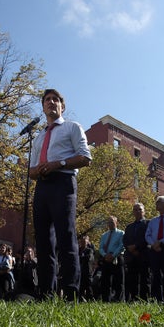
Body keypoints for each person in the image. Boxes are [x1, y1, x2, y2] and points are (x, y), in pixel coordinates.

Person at [28, 88, 92, 300]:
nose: (51, 102)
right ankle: (46, 292)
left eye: (55, 99)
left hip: (63, 182)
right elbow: (31, 171)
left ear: (62, 106)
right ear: (43, 106)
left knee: (66, 236)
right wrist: (37, 171)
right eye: (47, 100)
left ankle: (71, 292)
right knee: (43, 240)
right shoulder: (38, 138)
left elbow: (85, 157)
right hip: (42, 187)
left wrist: (59, 164)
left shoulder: (72, 127)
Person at [122, 203, 150, 301]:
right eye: (135, 210)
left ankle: (144, 299)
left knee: (144, 279)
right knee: (132, 279)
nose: (137, 211)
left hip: (143, 255)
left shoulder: (148, 223)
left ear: (144, 211)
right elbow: (125, 240)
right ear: (133, 212)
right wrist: (130, 248)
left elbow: (147, 238)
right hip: (131, 257)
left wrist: (136, 247)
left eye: (139, 209)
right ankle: (133, 299)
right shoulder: (129, 226)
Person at [98, 216, 125, 302]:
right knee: (105, 281)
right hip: (106, 259)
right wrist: (105, 255)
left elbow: (121, 246)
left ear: (116, 223)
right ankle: (106, 300)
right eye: (109, 222)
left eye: (112, 222)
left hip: (117, 258)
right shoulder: (104, 235)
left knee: (118, 280)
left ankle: (118, 299)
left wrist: (113, 255)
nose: (110, 224)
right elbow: (101, 248)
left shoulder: (121, 233)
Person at [78, 235, 95, 301]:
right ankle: (80, 298)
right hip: (80, 271)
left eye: (84, 241)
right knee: (81, 286)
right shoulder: (78, 250)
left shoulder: (89, 250)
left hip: (87, 271)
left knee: (88, 286)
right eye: (81, 241)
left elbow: (88, 258)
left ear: (87, 242)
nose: (82, 243)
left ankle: (90, 299)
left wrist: (81, 258)